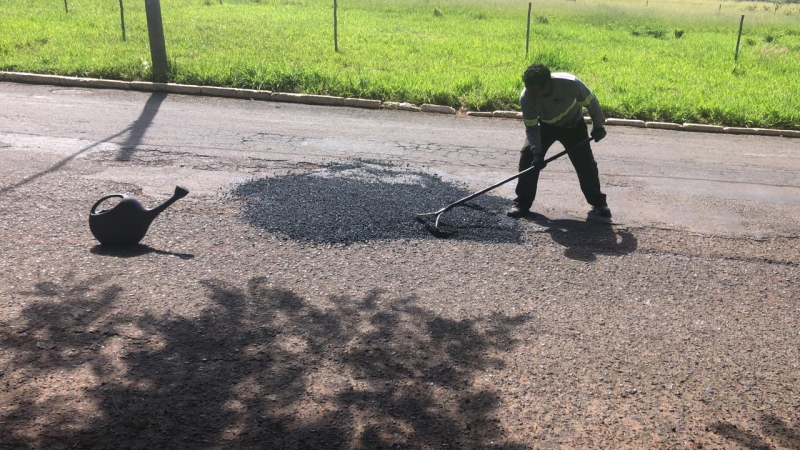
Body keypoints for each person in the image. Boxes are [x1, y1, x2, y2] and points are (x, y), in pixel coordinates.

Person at [507, 63, 611, 219]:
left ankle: (598, 202)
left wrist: (598, 126)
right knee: (527, 157)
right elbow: (531, 128)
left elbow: (592, 102)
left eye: (534, 89)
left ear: (547, 84)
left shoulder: (571, 84)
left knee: (585, 163)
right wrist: (537, 153)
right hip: (545, 127)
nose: (530, 93)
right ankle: (521, 203)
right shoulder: (526, 97)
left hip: (573, 125)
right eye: (528, 88)